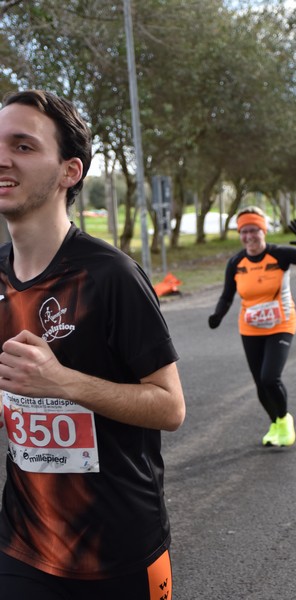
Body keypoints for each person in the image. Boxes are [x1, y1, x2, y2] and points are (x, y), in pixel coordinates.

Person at [0, 89, 185, 600]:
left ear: (69, 171)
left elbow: (170, 407)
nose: (2, 158)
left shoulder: (111, 276)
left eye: (23, 145)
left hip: (120, 551)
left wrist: (60, 382)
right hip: (23, 546)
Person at [208, 206, 296, 447]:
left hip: (281, 323)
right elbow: (227, 296)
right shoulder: (236, 262)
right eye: (243, 231)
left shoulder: (280, 255)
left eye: (254, 230)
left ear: (263, 231)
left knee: (269, 378)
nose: (249, 236)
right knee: (259, 384)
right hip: (250, 327)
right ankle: (274, 424)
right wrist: (218, 315)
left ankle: (284, 421)